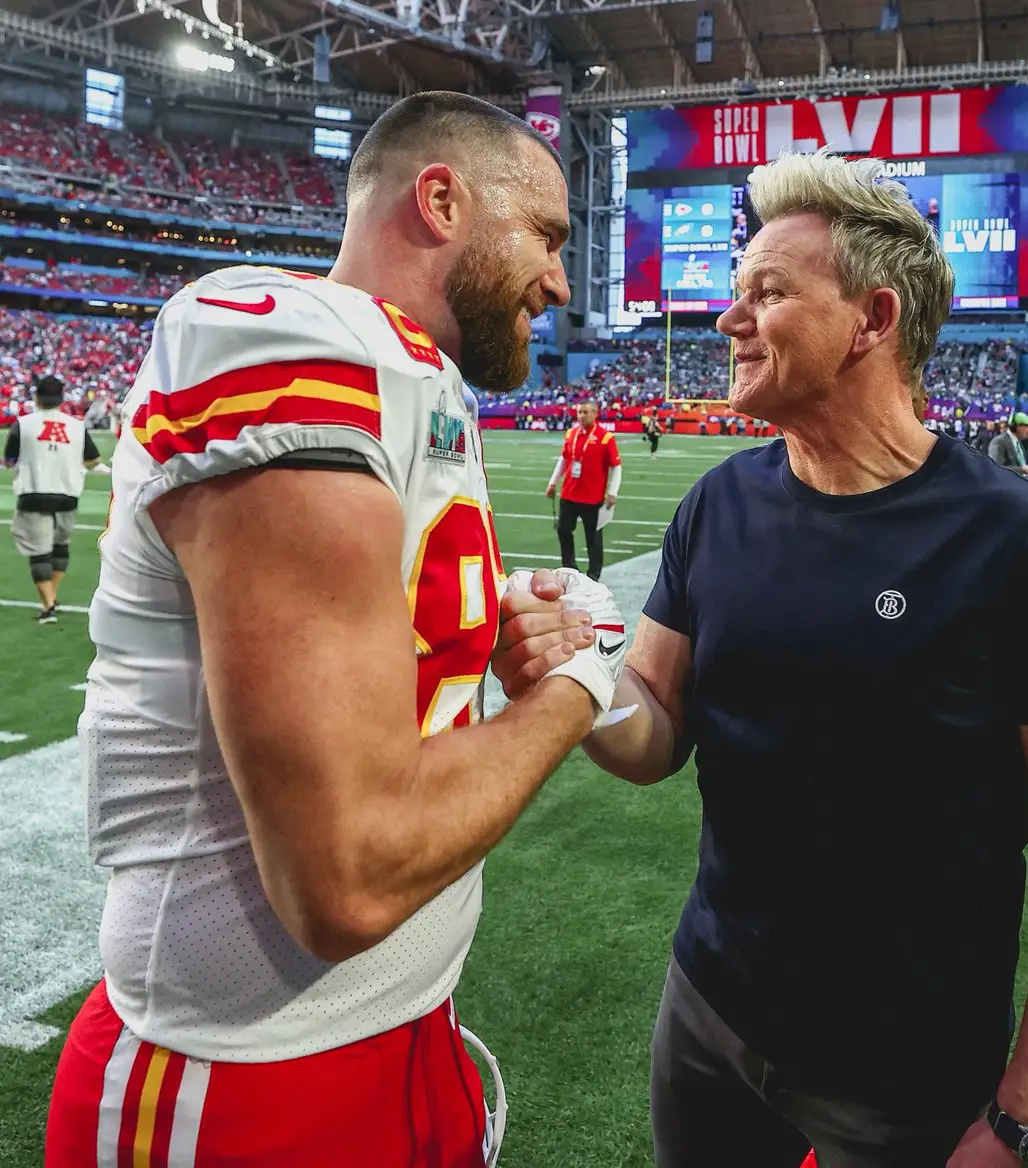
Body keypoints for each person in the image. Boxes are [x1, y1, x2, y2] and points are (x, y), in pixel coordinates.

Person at [498, 148, 1028, 1168]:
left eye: (767, 292)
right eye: (736, 290)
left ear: (873, 321)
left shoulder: (1022, 541)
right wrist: (577, 678)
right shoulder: (720, 504)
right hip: (709, 1011)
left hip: (909, 1070)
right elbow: (656, 729)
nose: (729, 318)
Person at [45, 92, 629, 1168]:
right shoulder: (282, 333)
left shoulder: (411, 380)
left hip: (409, 1031)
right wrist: (582, 680)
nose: (558, 278)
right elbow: (346, 878)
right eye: (546, 235)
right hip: (243, 1082)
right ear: (442, 199)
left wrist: (481, 630)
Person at [3, 374, 101, 623]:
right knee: (60, 549)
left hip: (33, 491)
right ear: (61, 398)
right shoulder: (77, 426)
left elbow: (9, 460)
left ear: (36, 397)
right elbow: (93, 460)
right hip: (67, 493)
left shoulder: (23, 424)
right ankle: (52, 595)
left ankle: (48, 605)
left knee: (39, 553)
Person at [546, 399, 622, 581]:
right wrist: (552, 482)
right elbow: (564, 459)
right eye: (579, 412)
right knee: (563, 530)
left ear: (595, 414)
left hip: (593, 497)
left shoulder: (606, 437)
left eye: (585, 412)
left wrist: (613, 492)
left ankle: (594, 574)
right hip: (569, 493)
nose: (581, 415)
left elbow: (616, 466)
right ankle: (569, 567)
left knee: (593, 538)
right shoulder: (571, 433)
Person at [988, 411, 1028, 477]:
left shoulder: (1018, 442)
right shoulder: (999, 441)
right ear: (1018, 427)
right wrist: (1022, 469)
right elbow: (997, 467)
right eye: (1026, 425)